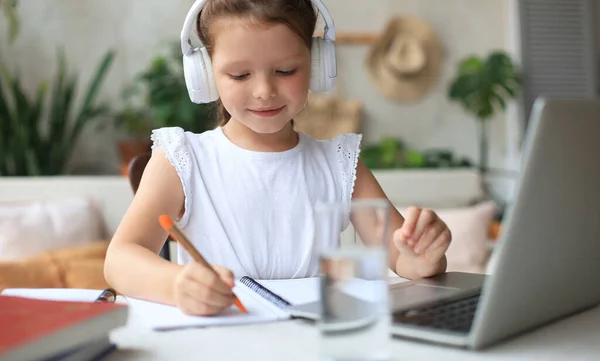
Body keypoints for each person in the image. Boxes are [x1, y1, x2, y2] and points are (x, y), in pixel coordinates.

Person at [104, 0, 452, 316]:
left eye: (285, 71)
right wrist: (177, 285)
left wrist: (422, 255)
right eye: (239, 75)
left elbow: (400, 257)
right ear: (207, 75)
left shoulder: (341, 165)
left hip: (310, 346)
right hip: (220, 347)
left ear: (317, 65)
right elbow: (120, 260)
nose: (264, 91)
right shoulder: (182, 160)